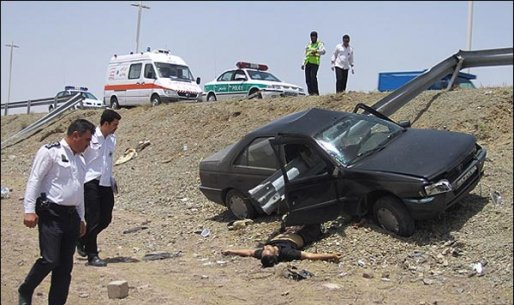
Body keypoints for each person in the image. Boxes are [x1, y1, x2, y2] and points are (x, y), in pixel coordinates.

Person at [18, 119, 95, 305]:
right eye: (86, 140)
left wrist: (82, 218)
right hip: (51, 213)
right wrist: (29, 210)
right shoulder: (50, 152)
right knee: (50, 259)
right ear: (75, 135)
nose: (88, 145)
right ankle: (26, 288)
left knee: (65, 267)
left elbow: (79, 192)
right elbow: (34, 180)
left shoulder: (80, 159)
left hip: (72, 216)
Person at [77, 109, 121, 267]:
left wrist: (112, 180)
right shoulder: (91, 137)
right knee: (93, 218)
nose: (116, 127)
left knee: (106, 218)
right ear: (106, 123)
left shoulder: (112, 139)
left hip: (106, 182)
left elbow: (108, 161)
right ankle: (92, 255)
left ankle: (82, 239)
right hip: (90, 181)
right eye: (114, 124)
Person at [221, 224, 341, 268]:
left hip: (285, 231)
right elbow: (309, 255)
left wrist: (231, 250)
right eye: (268, 249)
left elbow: (248, 252)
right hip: (303, 233)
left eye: (265, 249)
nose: (265, 247)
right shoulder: (287, 253)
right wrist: (331, 255)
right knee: (316, 224)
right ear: (276, 254)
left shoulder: (263, 254)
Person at [301, 31, 326, 96]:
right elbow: (306, 54)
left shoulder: (319, 43)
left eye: (314, 37)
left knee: (313, 77)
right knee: (307, 79)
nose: (313, 38)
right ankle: (310, 93)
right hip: (308, 62)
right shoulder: (309, 44)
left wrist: (316, 51)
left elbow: (323, 51)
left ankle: (315, 92)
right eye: (312, 37)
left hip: (315, 63)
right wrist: (303, 63)